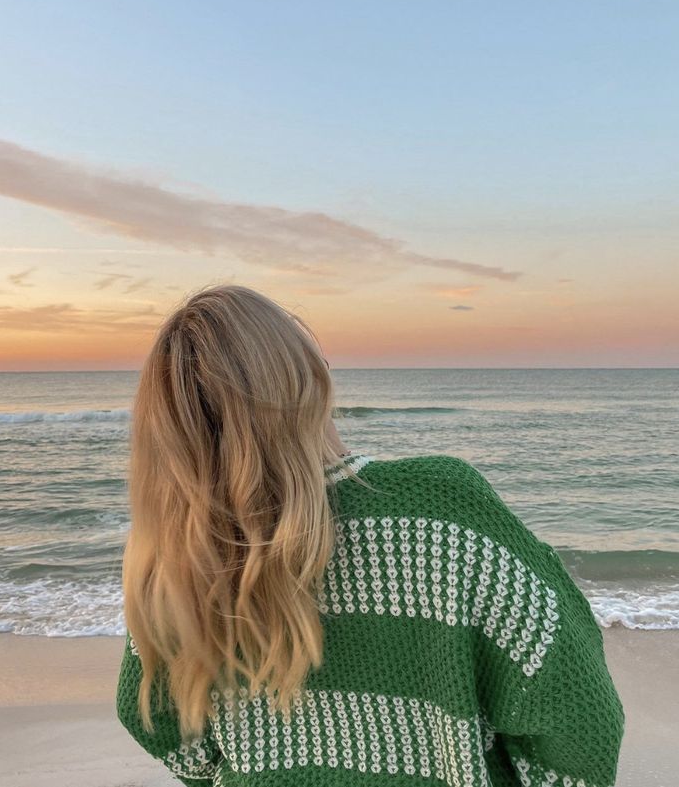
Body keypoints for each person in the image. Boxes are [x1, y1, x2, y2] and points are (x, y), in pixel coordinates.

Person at [116, 283, 625, 787]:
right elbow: (578, 708)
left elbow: (150, 716)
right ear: (310, 380)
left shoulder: (175, 560)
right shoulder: (442, 512)